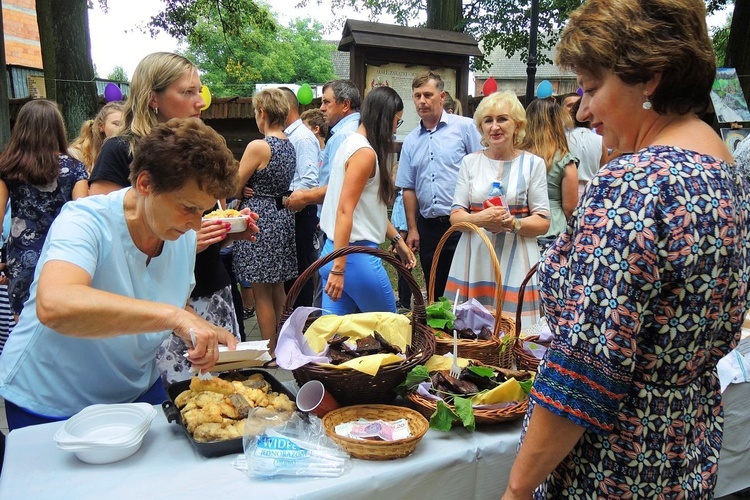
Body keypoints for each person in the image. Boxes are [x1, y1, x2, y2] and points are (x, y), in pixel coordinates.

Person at [503, 1, 750, 498]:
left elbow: (584, 372)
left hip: (613, 465)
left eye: (593, 88)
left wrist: (516, 488)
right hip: (686, 449)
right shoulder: (727, 172)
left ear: (651, 78)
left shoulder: (634, 183)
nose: (584, 108)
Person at [0, 119, 256, 430]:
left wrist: (197, 325)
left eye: (202, 211)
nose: (197, 225)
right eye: (188, 207)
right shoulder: (84, 221)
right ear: (145, 183)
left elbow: (165, 298)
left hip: (136, 393)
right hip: (53, 399)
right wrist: (176, 318)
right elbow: (55, 305)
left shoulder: (182, 235)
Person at [86, 53, 246, 384]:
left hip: (199, 286)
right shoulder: (119, 153)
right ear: (152, 99)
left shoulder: (202, 152)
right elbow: (110, 242)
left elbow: (197, 223)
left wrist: (222, 233)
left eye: (200, 91)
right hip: (145, 307)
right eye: (187, 92)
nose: (199, 101)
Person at [446, 91, 550, 328]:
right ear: (481, 127)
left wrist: (513, 224)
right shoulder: (470, 162)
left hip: (518, 258)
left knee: (515, 332)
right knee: (469, 331)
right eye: (488, 120)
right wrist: (480, 219)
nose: (495, 127)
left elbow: (543, 221)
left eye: (502, 119)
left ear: (517, 125)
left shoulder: (533, 164)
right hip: (475, 257)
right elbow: (455, 216)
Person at [319, 86, 415, 315]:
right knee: (392, 332)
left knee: (334, 341)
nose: (394, 129)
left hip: (333, 252)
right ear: (384, 117)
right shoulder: (364, 153)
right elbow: (345, 210)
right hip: (354, 259)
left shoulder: (349, 143)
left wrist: (398, 242)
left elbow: (369, 210)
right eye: (396, 121)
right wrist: (340, 269)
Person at [396, 71, 483, 300]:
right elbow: (409, 188)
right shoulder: (411, 141)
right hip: (429, 227)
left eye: (427, 94)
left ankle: (467, 335)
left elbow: (481, 170)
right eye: (417, 96)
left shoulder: (465, 128)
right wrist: (413, 228)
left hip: (462, 223)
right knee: (435, 290)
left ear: (442, 96)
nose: (422, 101)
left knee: (465, 290)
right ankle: (437, 336)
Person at [0, 100, 89, 319]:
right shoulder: (75, 169)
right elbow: (82, 217)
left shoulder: (7, 167)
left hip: (21, 256)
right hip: (63, 254)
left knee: (23, 322)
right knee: (61, 321)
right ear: (58, 129)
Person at [233, 89, 297, 355]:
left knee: (260, 293)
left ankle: (270, 353)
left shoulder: (258, 146)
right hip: (282, 216)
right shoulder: (290, 146)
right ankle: (285, 346)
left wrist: (245, 188)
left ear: (263, 113)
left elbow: (233, 186)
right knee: (278, 289)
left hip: (260, 218)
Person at [279, 87, 321, 307]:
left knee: (301, 272)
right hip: (291, 211)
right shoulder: (289, 135)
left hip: (301, 212)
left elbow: (309, 181)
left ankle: (303, 322)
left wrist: (285, 200)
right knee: (291, 272)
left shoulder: (302, 137)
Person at [521, 98, 578, 248]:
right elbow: (570, 208)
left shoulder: (517, 155)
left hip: (522, 225)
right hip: (553, 229)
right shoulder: (564, 160)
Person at [566, 98, 608, 197]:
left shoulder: (564, 138)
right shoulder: (601, 140)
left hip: (567, 189)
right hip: (591, 189)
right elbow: (603, 168)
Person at [68, 101, 123, 173]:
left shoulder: (126, 152)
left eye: (126, 125)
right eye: (117, 124)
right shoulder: (75, 154)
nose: (122, 129)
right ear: (101, 126)